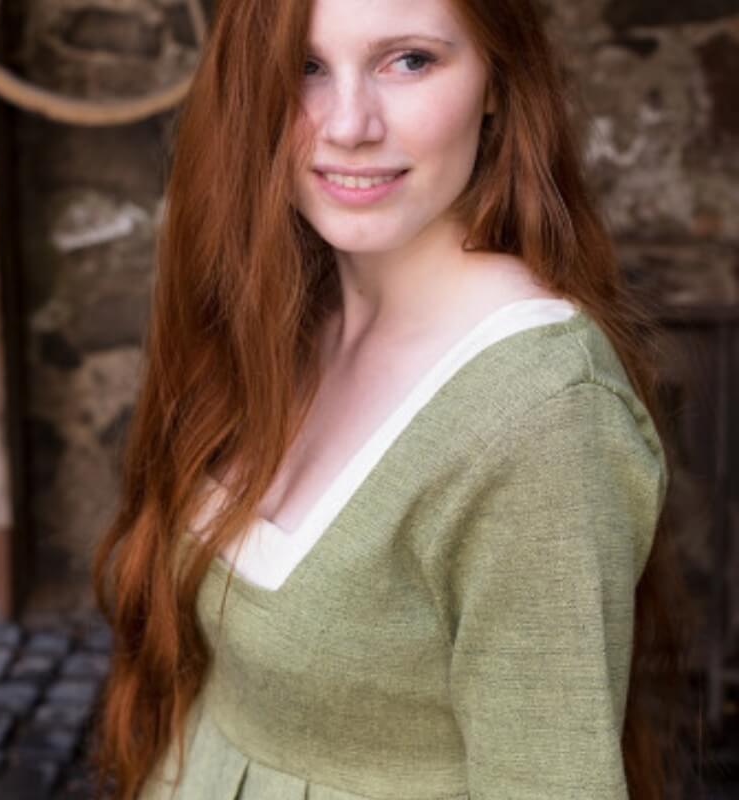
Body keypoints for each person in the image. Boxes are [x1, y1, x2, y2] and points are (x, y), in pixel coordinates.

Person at [91, 1, 691, 798]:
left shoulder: (540, 413)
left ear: (497, 79)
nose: (348, 125)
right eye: (306, 66)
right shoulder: (287, 316)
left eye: (409, 60)